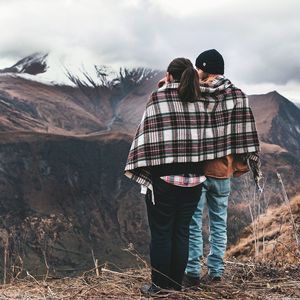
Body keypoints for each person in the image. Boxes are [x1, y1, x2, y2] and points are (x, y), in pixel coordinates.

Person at [124, 58, 206, 294]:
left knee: (161, 233)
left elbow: (146, 135)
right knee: (182, 231)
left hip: (165, 180)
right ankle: (175, 286)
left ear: (169, 75)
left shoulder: (157, 98)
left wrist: (162, 87)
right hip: (195, 179)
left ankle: (159, 287)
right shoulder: (200, 102)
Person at [184, 49, 261, 286]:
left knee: (193, 223)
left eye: (198, 69)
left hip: (196, 168)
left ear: (202, 69)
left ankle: (192, 273)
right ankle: (216, 272)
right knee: (219, 222)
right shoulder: (238, 95)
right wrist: (237, 165)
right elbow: (243, 132)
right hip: (222, 169)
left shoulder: (193, 93)